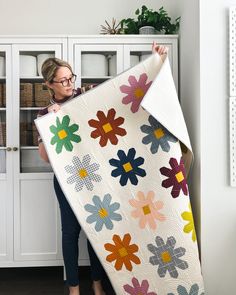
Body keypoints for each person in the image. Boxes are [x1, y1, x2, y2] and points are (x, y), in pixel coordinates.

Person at [37, 42, 167, 295]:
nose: (69, 84)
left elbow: (122, 94)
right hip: (67, 180)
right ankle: (73, 287)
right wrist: (51, 122)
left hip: (97, 175)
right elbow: (45, 157)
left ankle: (98, 283)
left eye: (70, 77)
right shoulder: (45, 112)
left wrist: (154, 63)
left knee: (98, 229)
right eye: (62, 81)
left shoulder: (87, 95)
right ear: (49, 84)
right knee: (70, 233)